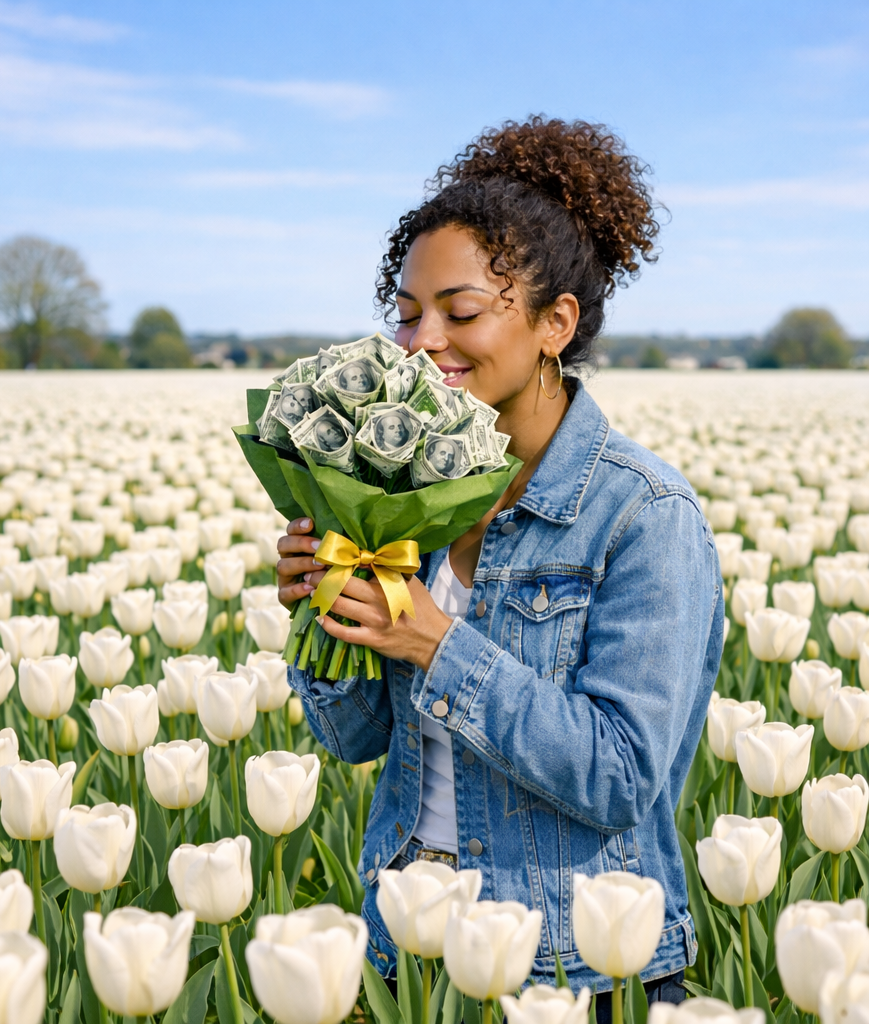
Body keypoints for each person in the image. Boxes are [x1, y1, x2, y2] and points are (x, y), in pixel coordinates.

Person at [276, 118, 721, 1011]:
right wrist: (324, 603)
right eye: (407, 314)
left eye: (462, 312)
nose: (423, 342)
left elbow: (621, 775)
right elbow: (356, 739)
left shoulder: (644, 516)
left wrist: (438, 646)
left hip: (576, 967)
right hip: (413, 954)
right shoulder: (410, 501)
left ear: (555, 324)